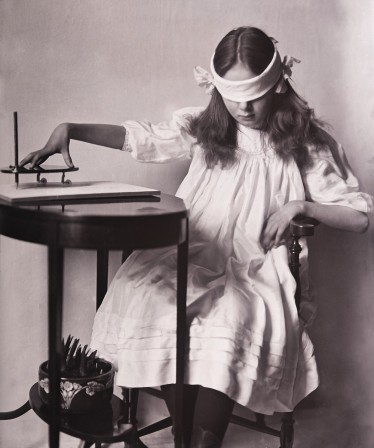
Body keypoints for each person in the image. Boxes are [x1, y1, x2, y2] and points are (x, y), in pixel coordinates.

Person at [20, 26, 372, 448]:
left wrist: (302, 206)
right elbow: (144, 137)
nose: (242, 106)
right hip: (189, 249)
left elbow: (360, 216)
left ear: (278, 83)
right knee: (155, 298)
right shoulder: (206, 127)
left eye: (254, 94)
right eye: (231, 94)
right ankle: (189, 439)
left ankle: (198, 441)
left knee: (234, 314)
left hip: (255, 262)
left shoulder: (302, 142)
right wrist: (71, 128)